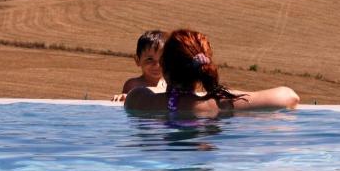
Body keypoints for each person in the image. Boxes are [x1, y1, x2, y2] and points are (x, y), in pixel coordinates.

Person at [124, 29, 299, 115]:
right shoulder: (218, 105)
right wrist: (226, 95)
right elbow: (290, 96)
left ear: (164, 65)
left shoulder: (138, 100)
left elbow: (145, 93)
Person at [112, 30, 166, 101]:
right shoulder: (134, 85)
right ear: (137, 60)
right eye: (150, 59)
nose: (156, 65)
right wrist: (124, 97)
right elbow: (126, 106)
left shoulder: (171, 85)